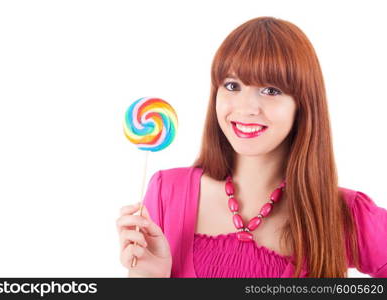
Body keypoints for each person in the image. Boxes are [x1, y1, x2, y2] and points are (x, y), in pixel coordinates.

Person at [116, 16, 387, 278]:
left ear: (302, 105)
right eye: (232, 85)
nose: (246, 108)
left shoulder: (345, 214)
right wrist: (146, 277)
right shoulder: (167, 193)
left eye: (270, 90)